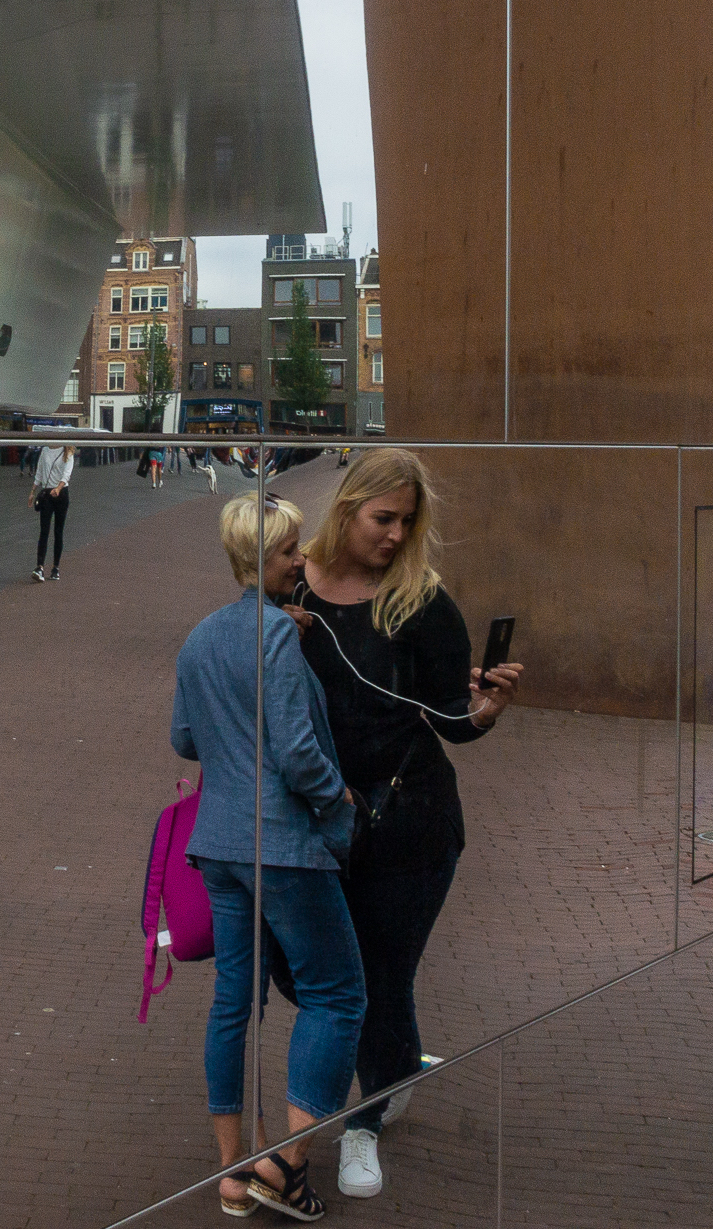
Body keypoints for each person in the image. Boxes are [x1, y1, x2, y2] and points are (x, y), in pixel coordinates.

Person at [282, 448, 522, 1200]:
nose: (394, 535)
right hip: (318, 823)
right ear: (347, 506)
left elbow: (457, 723)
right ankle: (401, 1061)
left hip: (410, 822)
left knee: (380, 973)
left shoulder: (420, 601)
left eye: (406, 523)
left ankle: (363, 1122)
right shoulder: (290, 584)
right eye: (383, 518)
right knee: (304, 970)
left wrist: (488, 705)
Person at [173, 494, 363, 1222]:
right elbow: (295, 751)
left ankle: (232, 1171)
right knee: (337, 993)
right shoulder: (277, 637)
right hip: (280, 843)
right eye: (291, 552)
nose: (299, 561)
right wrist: (338, 802)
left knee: (234, 1002)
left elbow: (185, 737)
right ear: (265, 558)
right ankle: (287, 1165)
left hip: (217, 845)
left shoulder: (200, 637)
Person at [29, 444, 74, 582]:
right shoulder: (45, 450)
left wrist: (59, 488)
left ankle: (56, 567)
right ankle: (40, 567)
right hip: (48, 493)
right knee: (44, 530)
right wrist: (32, 491)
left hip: (61, 493)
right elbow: (40, 472)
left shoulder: (68, 451)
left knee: (58, 531)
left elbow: (67, 474)